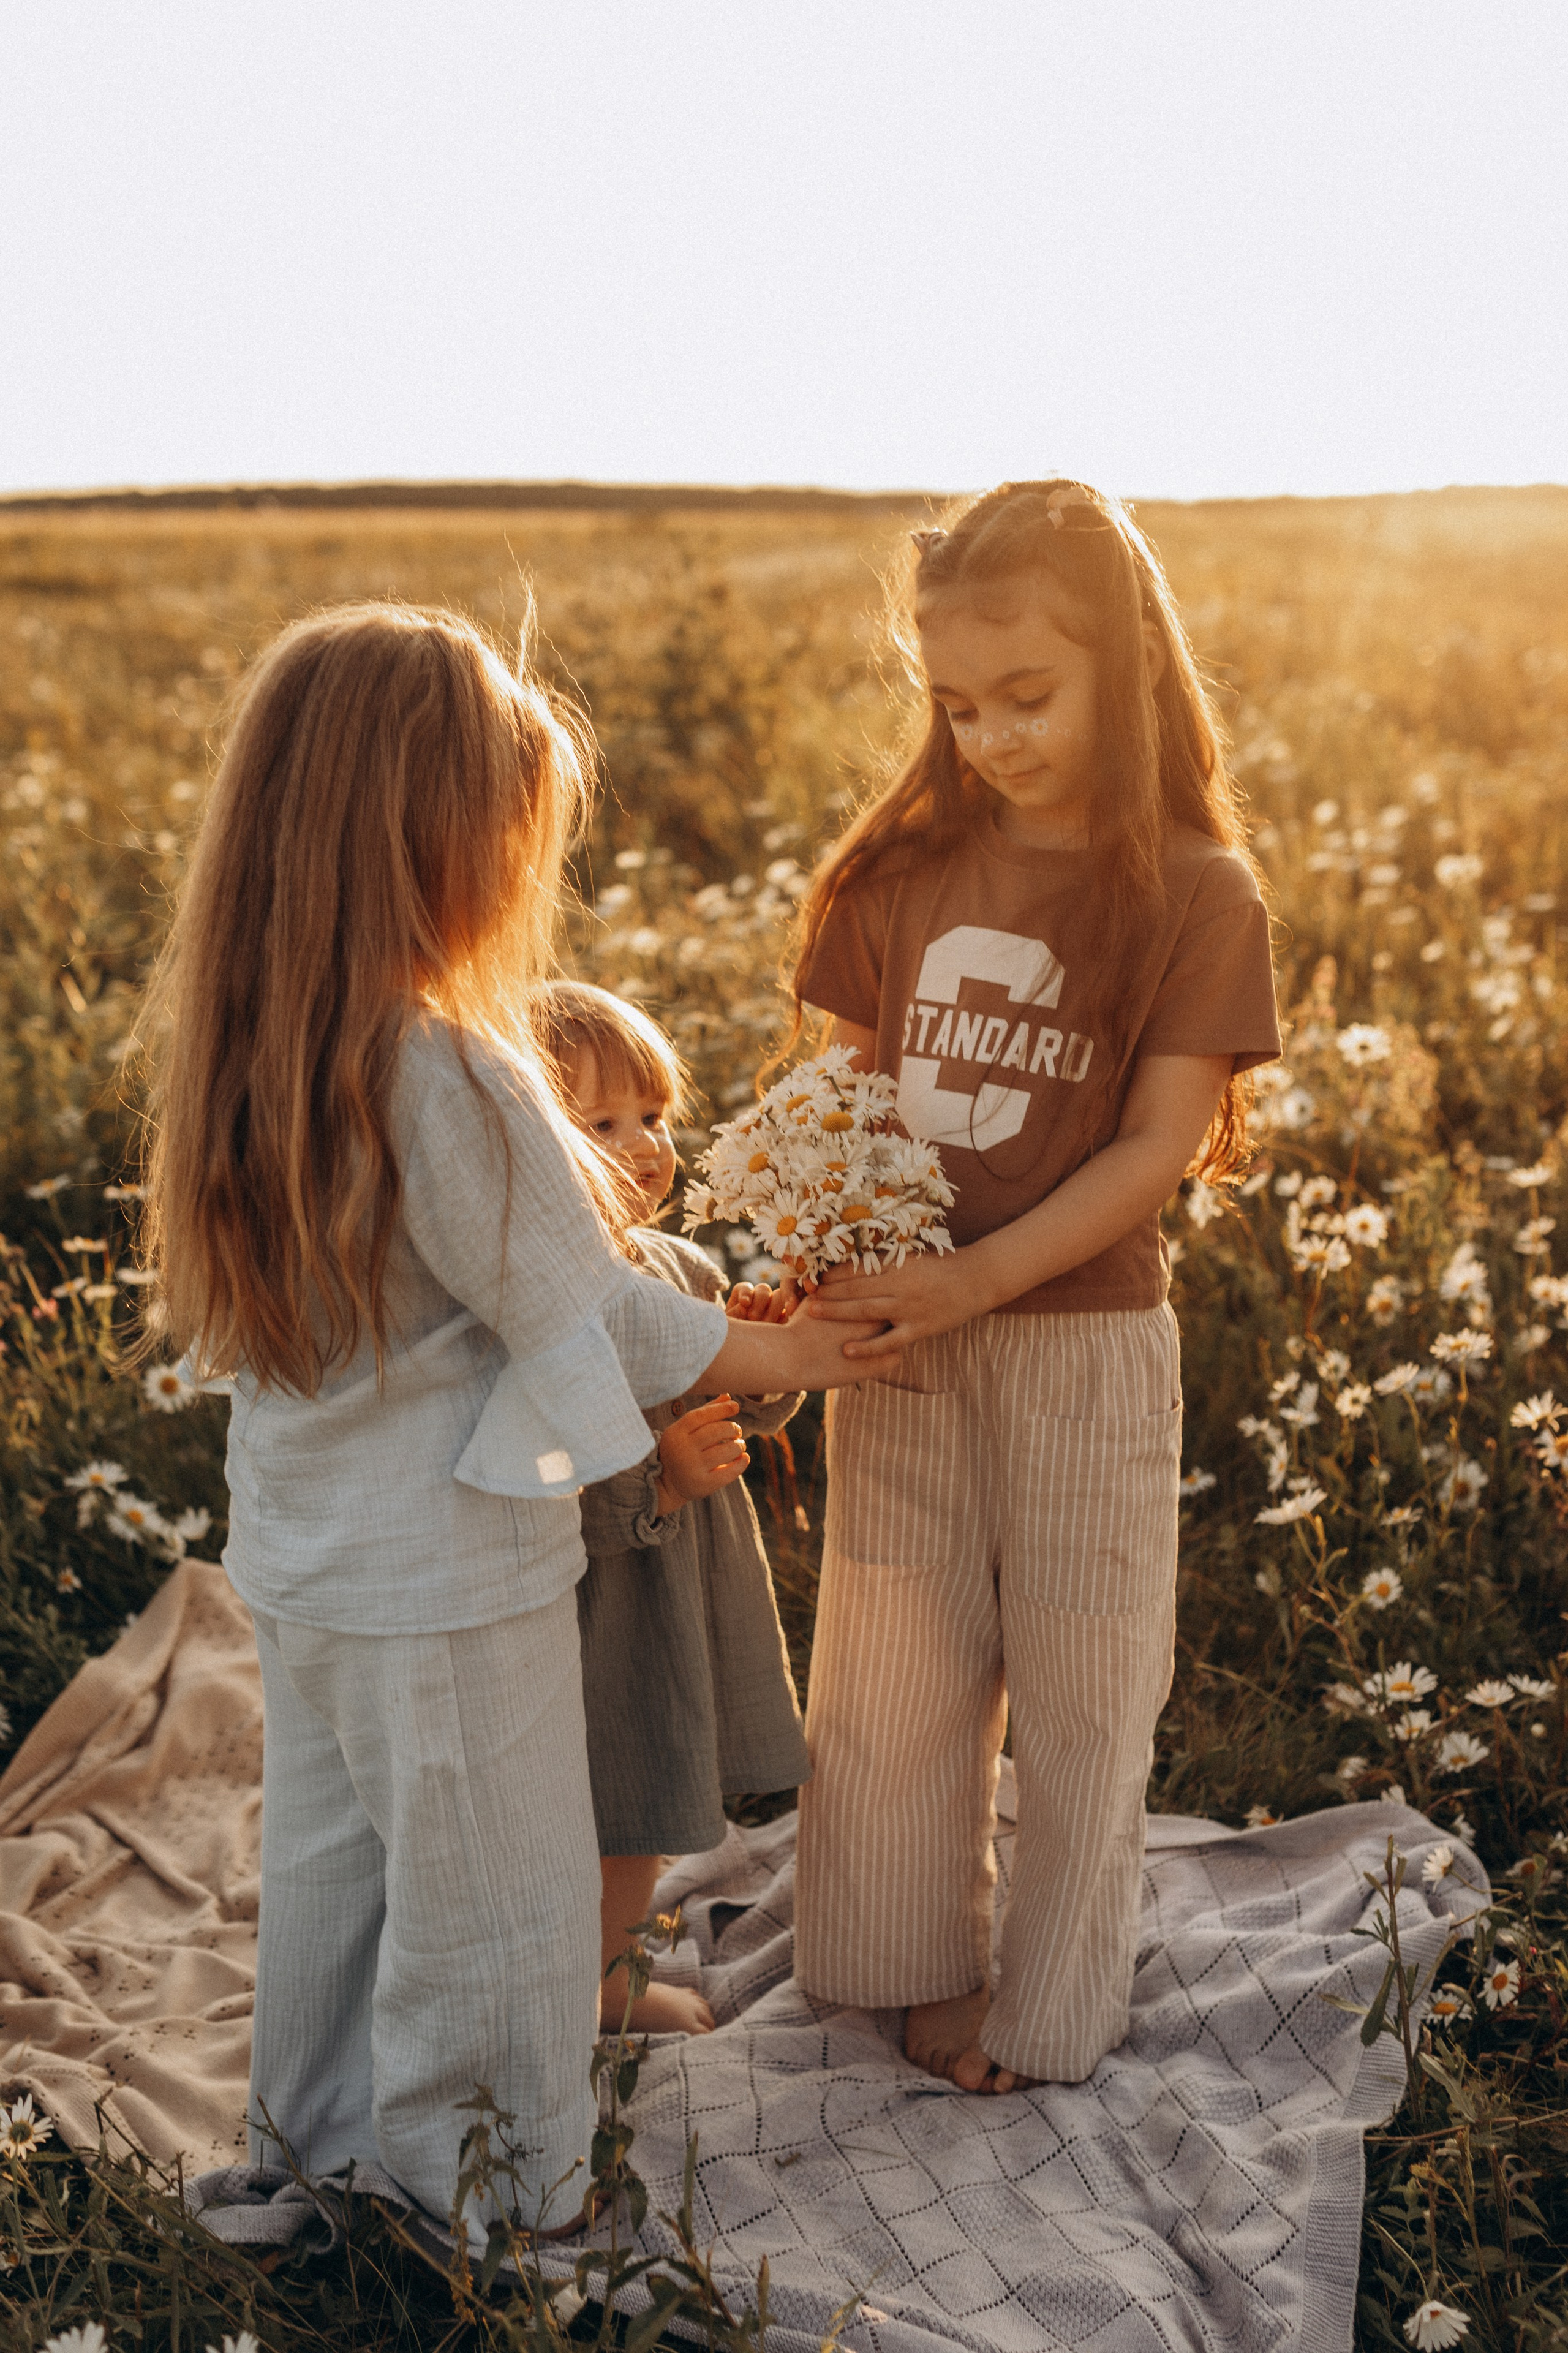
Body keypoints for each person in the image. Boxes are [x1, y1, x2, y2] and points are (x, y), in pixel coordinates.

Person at [138, 603, 891, 2234]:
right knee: (499, 1899)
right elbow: (591, 1306)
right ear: (427, 838)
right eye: (504, 832)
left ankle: (310, 2147)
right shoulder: (449, 1068)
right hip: (453, 1568)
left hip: (308, 1560)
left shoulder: (257, 1050)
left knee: (339, 1868)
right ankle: (479, 2205)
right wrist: (791, 1352)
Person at [790, 481, 1281, 2095]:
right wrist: (821, 1236)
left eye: (1027, 696)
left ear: (1123, 667)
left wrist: (980, 1275)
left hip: (1081, 1342)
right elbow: (842, 1091)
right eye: (957, 705)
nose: (990, 736)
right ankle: (909, 1962)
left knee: (1084, 1677)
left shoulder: (1195, 889)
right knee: (894, 1662)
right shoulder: (902, 871)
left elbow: (1156, 1146)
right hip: (903, 1345)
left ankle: (1052, 2000)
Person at [536, 981, 811, 2038]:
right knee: (598, 1791)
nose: (645, 1145)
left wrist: (766, 1343)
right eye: (602, 1123)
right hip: (601, 1597)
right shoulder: (543, 1294)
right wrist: (659, 1481)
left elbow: (743, 1401)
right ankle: (578, 1976)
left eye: (653, 1116)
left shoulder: (677, 1266)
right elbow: (546, 1458)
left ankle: (610, 1969)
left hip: (674, 1593)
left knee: (646, 1797)